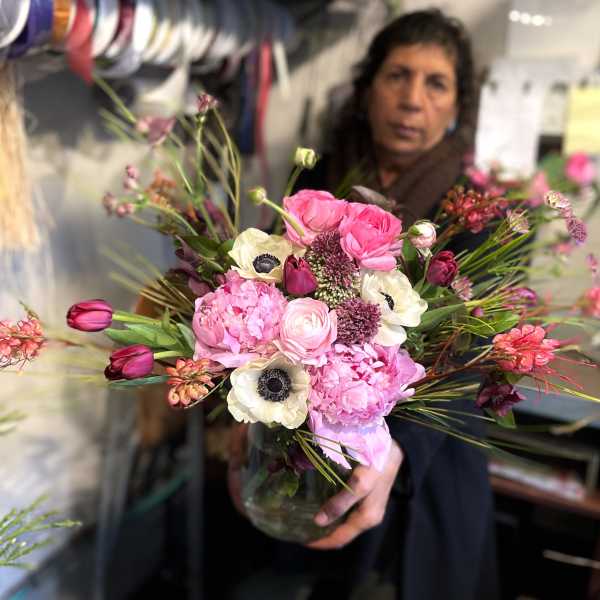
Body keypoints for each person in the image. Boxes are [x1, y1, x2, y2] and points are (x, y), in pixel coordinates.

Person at [229, 9, 500, 600]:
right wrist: (242, 405)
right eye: (397, 76)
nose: (412, 100)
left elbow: (473, 351)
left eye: (436, 84)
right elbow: (264, 294)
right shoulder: (318, 183)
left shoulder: (477, 213)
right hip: (303, 446)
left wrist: (394, 448)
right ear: (368, 87)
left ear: (457, 105)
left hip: (421, 461)